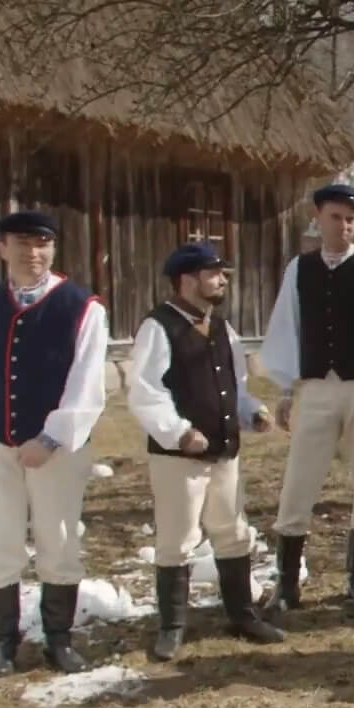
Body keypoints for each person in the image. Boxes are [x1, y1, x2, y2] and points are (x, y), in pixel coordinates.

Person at [0, 210, 109, 675]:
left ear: (52, 249)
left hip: (57, 445)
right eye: (22, 243)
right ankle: (3, 641)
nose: (33, 253)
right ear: (2, 249)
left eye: (42, 244)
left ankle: (58, 640)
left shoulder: (83, 306)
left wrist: (51, 437)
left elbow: (88, 385)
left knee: (59, 539)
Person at [126, 241, 288, 661]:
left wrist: (251, 412)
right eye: (214, 273)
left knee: (232, 530)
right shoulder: (158, 327)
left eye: (223, 273)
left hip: (224, 451)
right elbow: (145, 393)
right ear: (188, 279)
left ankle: (241, 613)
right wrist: (178, 432)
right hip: (178, 457)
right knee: (178, 539)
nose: (222, 280)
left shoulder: (223, 327)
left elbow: (233, 387)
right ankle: (172, 626)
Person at [258, 183, 354, 613]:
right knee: (298, 483)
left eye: (350, 219)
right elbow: (286, 327)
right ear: (318, 218)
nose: (343, 226)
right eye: (335, 217)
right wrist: (286, 389)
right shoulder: (300, 269)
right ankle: (286, 584)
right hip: (316, 388)